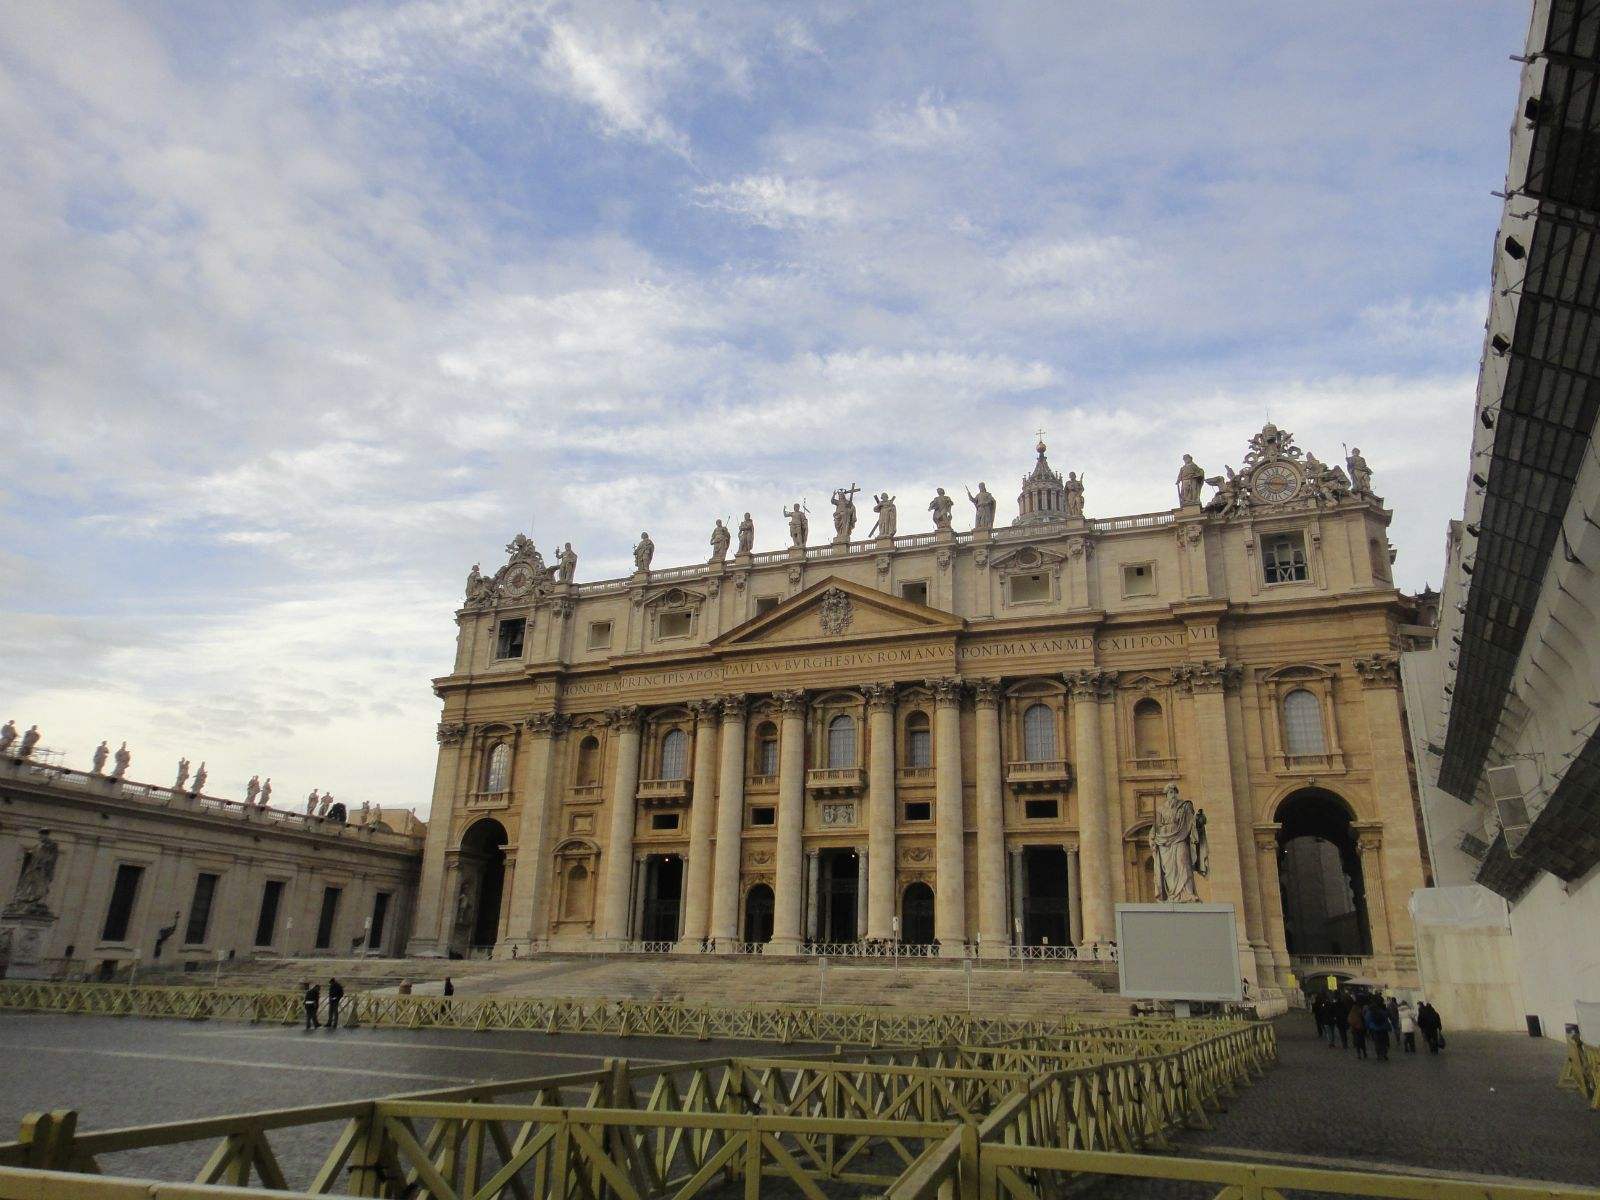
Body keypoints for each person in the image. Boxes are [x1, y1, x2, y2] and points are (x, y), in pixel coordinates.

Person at [1365, 996, 1392, 1061]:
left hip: (1374, 1028)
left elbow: (1367, 1019)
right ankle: (1384, 1054)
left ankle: (1379, 1055)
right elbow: (1387, 1016)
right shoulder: (1383, 1009)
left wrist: (1367, 1027)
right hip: (1383, 1028)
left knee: (1377, 1042)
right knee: (1384, 1042)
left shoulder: (1371, 1009)